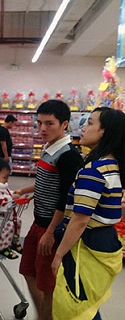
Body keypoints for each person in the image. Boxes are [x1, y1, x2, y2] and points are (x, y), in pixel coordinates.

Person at [51, 107, 125, 320]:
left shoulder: (93, 171)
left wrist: (59, 255)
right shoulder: (113, 166)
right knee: (87, 305)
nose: (83, 128)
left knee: (75, 305)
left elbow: (80, 220)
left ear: (105, 132)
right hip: (106, 241)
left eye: (90, 123)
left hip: (87, 246)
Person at [13, 99, 83, 320]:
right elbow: (45, 181)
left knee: (46, 283)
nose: (42, 128)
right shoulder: (49, 148)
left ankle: (46, 316)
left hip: (51, 228)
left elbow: (65, 198)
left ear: (64, 125)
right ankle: (43, 314)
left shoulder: (68, 155)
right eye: (39, 123)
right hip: (39, 221)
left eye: (49, 123)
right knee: (27, 270)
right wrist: (23, 190)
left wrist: (51, 232)